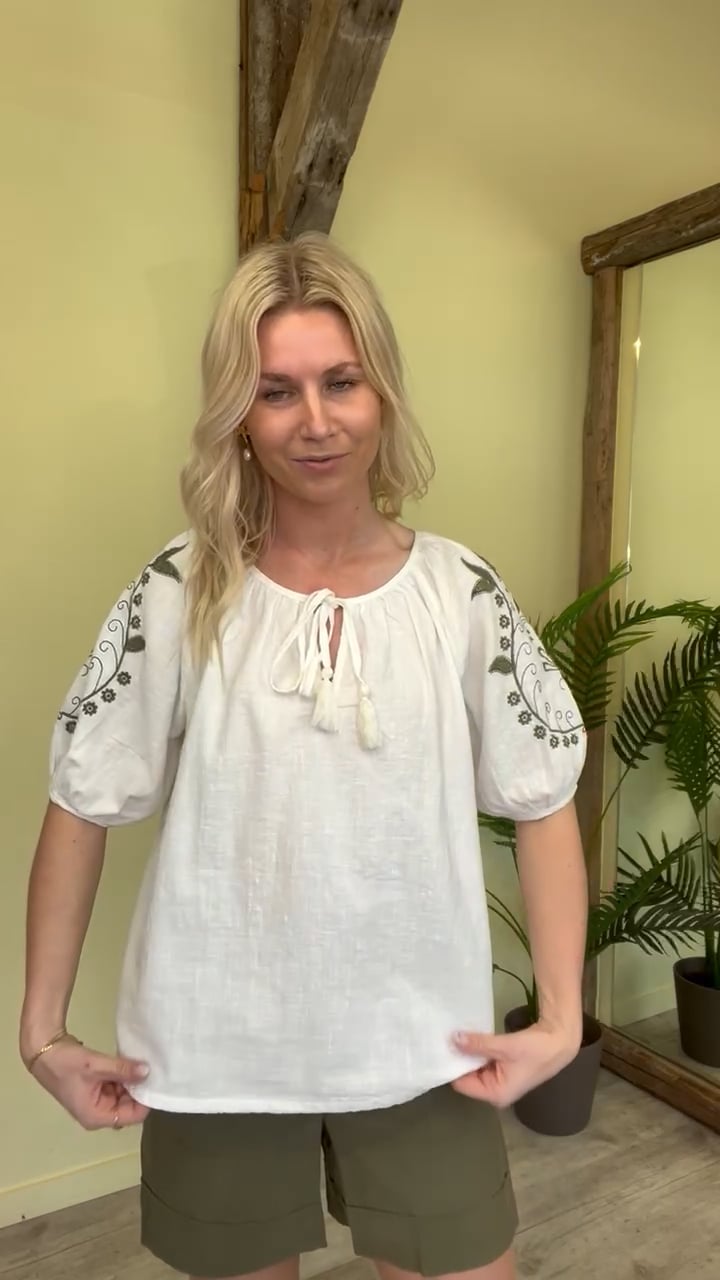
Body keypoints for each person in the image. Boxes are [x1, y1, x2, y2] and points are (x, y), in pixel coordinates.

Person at [21, 232, 588, 1280]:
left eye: (341, 381)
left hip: (426, 1048)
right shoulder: (181, 589)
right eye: (276, 391)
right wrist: (42, 1030)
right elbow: (83, 795)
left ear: (383, 391)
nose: (315, 420)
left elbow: (542, 790)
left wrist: (561, 1016)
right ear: (237, 413)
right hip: (215, 1052)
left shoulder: (459, 592)